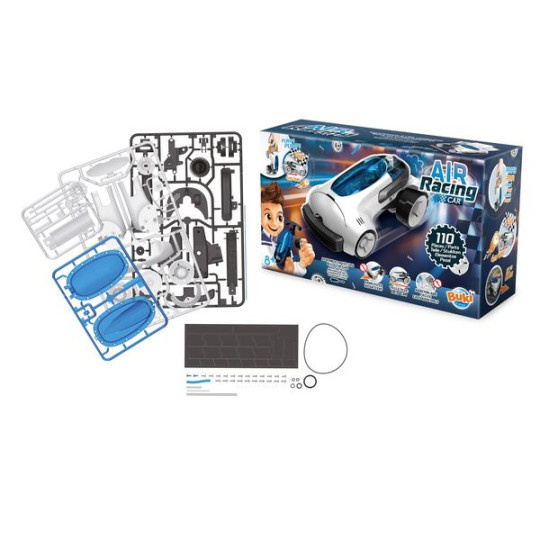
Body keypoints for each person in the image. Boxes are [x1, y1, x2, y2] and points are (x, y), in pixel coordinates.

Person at [261, 181, 315, 276]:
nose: (275, 223)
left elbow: (289, 267)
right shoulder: (260, 246)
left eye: (279, 218)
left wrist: (302, 264)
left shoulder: (281, 240)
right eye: (268, 216)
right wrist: (284, 271)